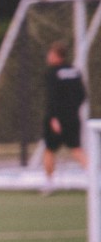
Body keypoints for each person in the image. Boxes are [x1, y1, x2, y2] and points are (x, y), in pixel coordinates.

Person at [42, 40, 87, 195]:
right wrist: (72, 110)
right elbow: (82, 95)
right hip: (73, 117)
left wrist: (54, 118)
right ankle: (95, 180)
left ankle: (49, 184)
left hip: (56, 118)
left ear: (55, 55)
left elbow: (53, 97)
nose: (48, 56)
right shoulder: (75, 71)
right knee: (77, 149)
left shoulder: (52, 72)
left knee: (49, 150)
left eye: (50, 53)